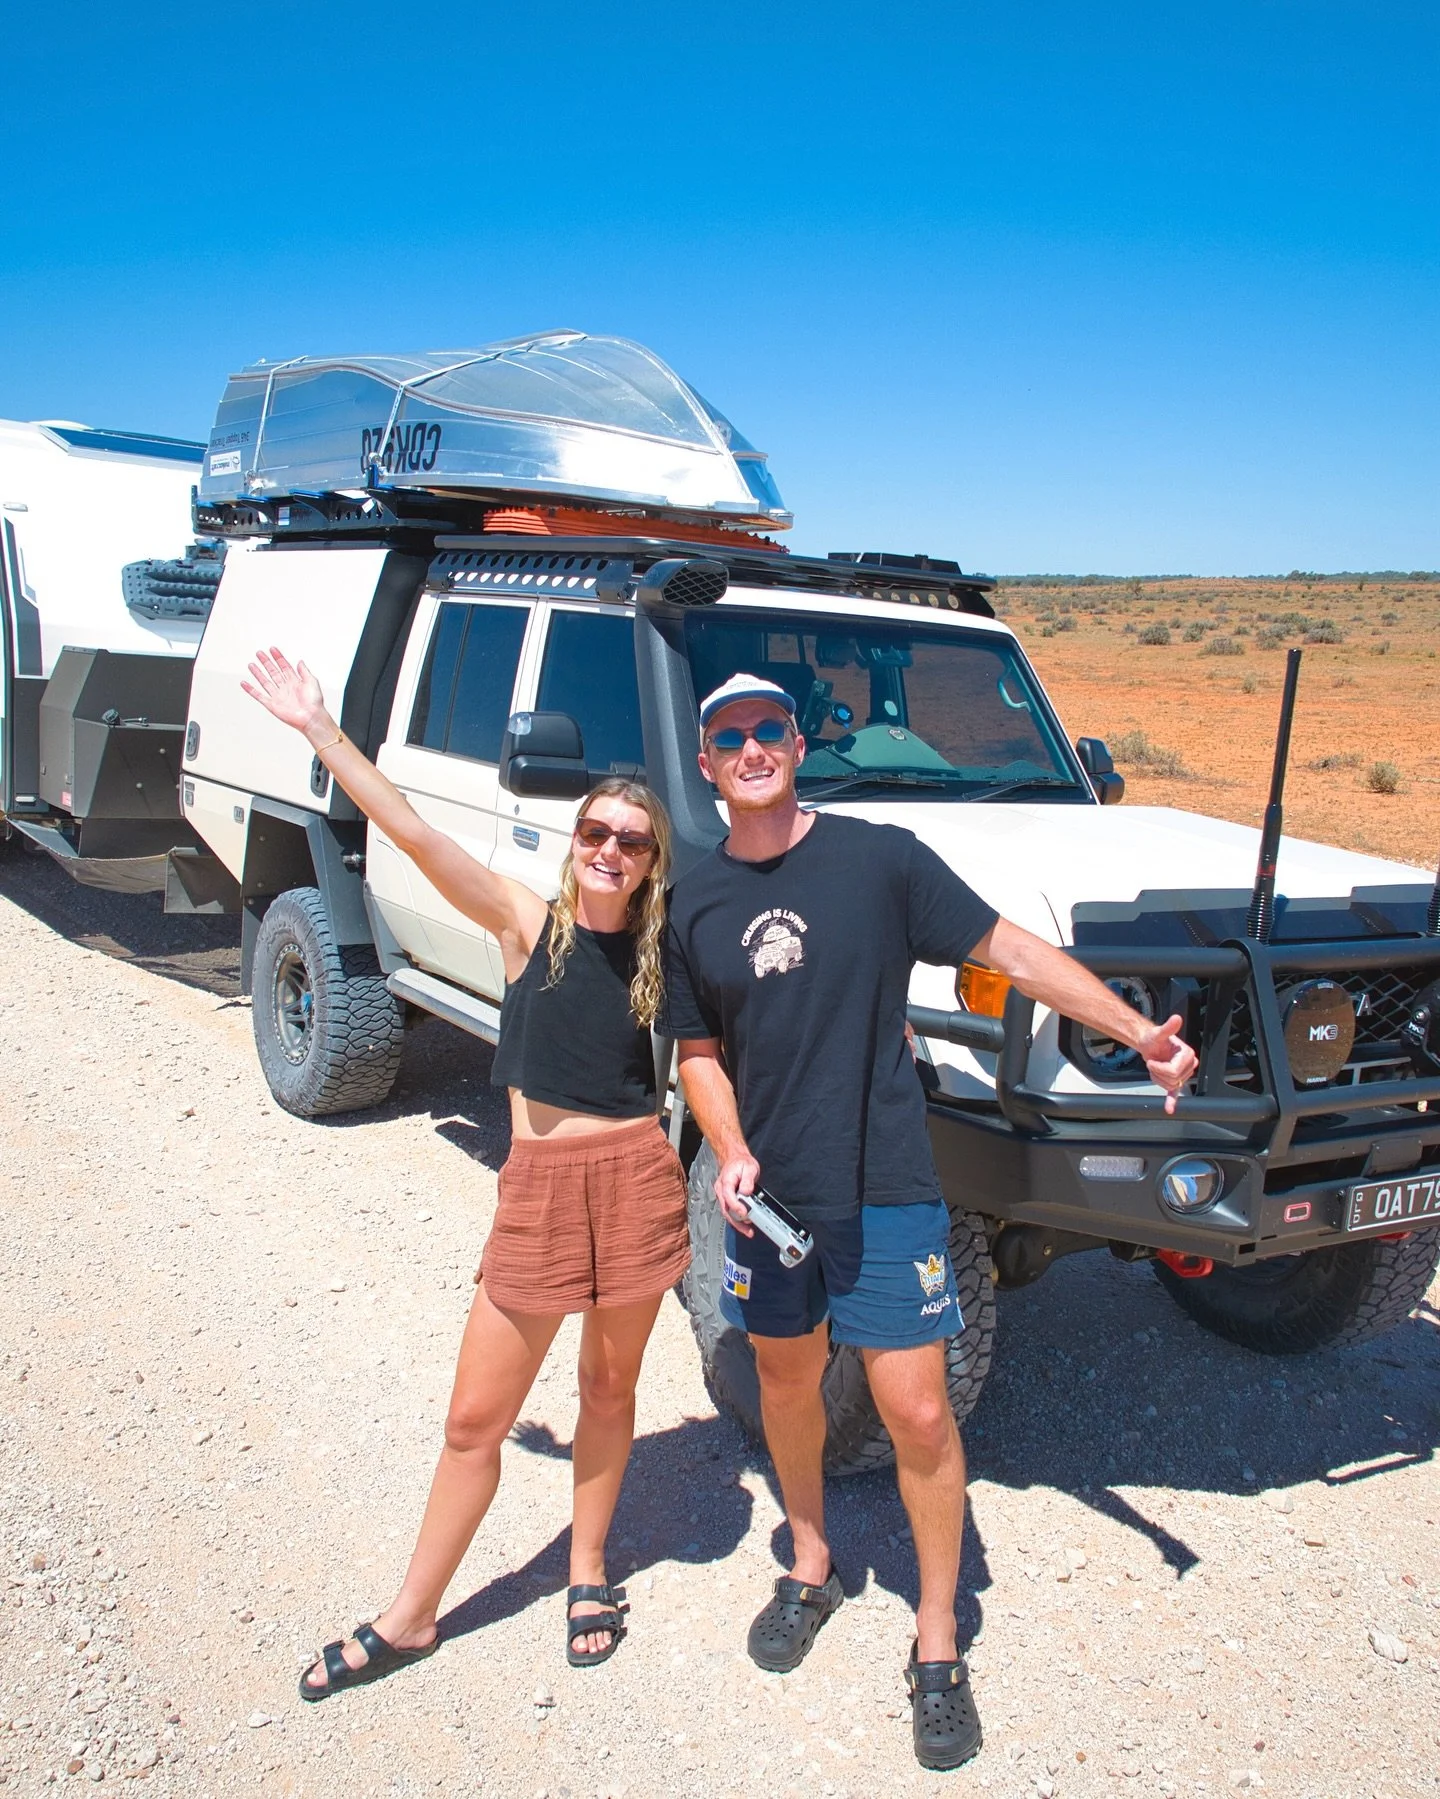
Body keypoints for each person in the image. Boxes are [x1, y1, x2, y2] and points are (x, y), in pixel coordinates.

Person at [662, 672, 1199, 1772]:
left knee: (916, 1409)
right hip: (773, 1197)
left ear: (797, 745)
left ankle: (939, 1636)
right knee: (786, 1386)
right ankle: (810, 1562)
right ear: (707, 762)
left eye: (770, 729)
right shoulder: (695, 900)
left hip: (888, 1182)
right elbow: (698, 1051)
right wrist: (728, 1143)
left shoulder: (881, 859)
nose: (753, 747)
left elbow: (1012, 950)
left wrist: (1137, 1031)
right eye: (731, 735)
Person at [241, 648, 690, 1697]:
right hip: (541, 1190)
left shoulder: (666, 953)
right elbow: (411, 831)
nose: (610, 850)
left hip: (635, 1178)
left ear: (652, 858)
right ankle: (411, 1614)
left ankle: (587, 1569)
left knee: (609, 1386)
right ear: (574, 841)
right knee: (472, 1421)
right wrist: (318, 728)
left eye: (631, 840)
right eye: (595, 832)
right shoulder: (529, 923)